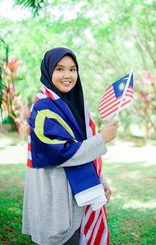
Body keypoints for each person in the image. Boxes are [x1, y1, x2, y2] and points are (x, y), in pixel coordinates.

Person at [22, 47, 118, 245]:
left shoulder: (78, 105)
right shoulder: (43, 108)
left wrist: (101, 178)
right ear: (48, 71)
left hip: (81, 195)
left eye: (72, 69)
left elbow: (85, 145)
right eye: (60, 69)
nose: (67, 75)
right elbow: (61, 152)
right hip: (55, 199)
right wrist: (102, 139)